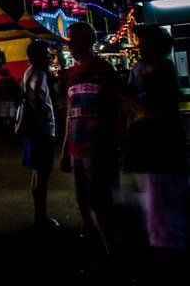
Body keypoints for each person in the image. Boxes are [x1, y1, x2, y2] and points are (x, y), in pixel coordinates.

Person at [59, 22, 149, 267]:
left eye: (73, 38)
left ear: (86, 40)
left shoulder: (104, 69)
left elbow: (123, 100)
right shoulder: (71, 73)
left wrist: (141, 119)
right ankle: (114, 248)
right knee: (86, 202)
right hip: (78, 147)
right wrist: (65, 150)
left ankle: (121, 248)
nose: (69, 43)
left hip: (99, 148)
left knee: (102, 202)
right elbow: (70, 112)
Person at [127, 25, 186, 271]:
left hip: (162, 149)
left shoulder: (163, 71)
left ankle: (170, 258)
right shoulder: (140, 70)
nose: (139, 46)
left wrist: (126, 98)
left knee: (163, 206)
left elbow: (158, 113)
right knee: (154, 203)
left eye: (144, 42)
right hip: (148, 149)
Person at [19, 41, 58, 230]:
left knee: (37, 173)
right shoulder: (39, 74)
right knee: (42, 175)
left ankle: (39, 217)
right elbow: (40, 102)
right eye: (45, 53)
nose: (49, 57)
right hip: (41, 130)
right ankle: (41, 218)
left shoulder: (27, 72)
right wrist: (48, 120)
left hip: (32, 130)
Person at [0, 68, 19, 134]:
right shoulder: (12, 81)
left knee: (4, 118)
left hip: (2, 102)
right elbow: (16, 91)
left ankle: (5, 132)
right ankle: (12, 131)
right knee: (12, 118)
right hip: (11, 101)